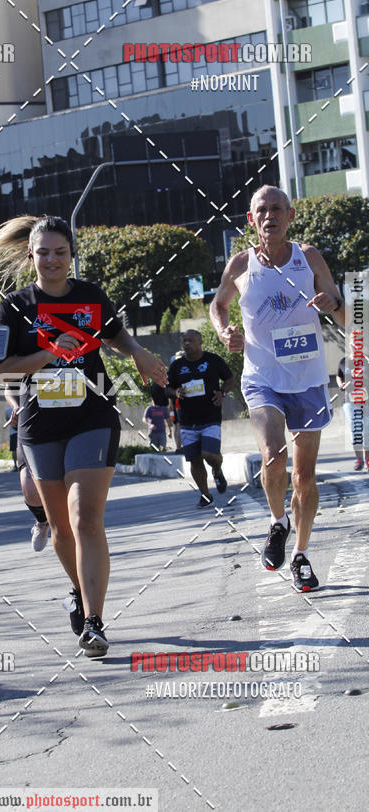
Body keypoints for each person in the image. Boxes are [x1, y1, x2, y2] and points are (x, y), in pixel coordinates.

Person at [0, 215, 167, 657]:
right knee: (61, 528)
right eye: (43, 252)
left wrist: (140, 355)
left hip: (92, 416)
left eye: (60, 252)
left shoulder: (90, 298)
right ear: (30, 256)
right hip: (40, 423)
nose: (51, 260)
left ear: (71, 256)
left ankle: (94, 621)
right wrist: (48, 352)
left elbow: (117, 335)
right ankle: (78, 592)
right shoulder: (12, 308)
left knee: (85, 517)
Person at [209, 185, 345, 592]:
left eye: (277, 209)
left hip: (307, 380)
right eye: (261, 210)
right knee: (272, 455)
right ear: (251, 220)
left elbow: (338, 300)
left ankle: (300, 554)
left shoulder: (310, 257)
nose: (269, 216)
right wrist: (224, 331)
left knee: (304, 476)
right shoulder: (240, 265)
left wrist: (331, 304)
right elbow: (218, 306)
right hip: (262, 377)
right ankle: (277, 522)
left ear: (289, 216)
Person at [167, 330, 234, 507]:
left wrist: (223, 393)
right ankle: (205, 495)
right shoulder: (177, 366)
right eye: (184, 341)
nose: (187, 343)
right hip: (187, 421)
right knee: (194, 459)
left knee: (209, 454)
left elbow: (229, 379)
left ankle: (217, 470)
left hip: (210, 417)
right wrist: (176, 392)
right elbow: (167, 388)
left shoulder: (213, 360)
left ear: (200, 341)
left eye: (191, 340)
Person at [6, 394, 51, 551]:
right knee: (30, 491)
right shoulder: (22, 369)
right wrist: (15, 407)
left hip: (70, 419)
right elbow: (9, 388)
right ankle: (42, 520)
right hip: (30, 420)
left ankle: (74, 533)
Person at [336, 335, 369, 472]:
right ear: (349, 345)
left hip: (366, 400)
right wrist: (340, 384)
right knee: (356, 430)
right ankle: (359, 459)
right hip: (349, 401)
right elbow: (339, 375)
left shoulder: (366, 360)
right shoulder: (344, 361)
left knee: (367, 430)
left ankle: (367, 460)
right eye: (353, 343)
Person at [143, 383, 173, 451]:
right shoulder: (149, 408)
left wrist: (170, 431)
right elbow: (144, 419)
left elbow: (168, 420)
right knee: (154, 450)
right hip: (153, 433)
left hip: (162, 433)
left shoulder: (163, 408)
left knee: (163, 449)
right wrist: (149, 425)